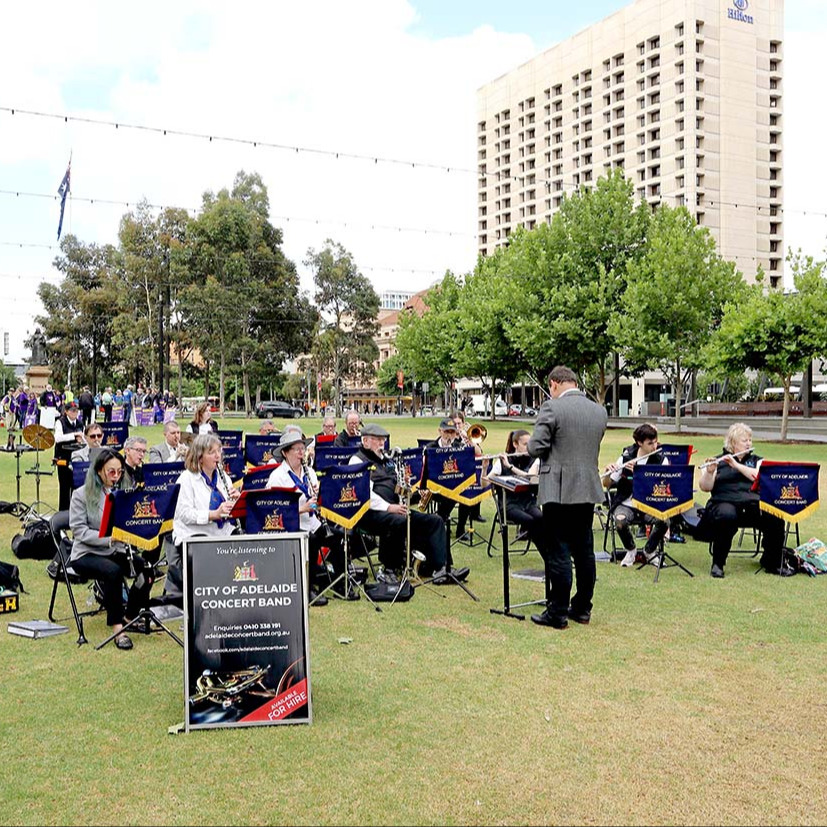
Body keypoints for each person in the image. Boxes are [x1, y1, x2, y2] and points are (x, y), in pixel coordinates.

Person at [527, 366, 607, 630]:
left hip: (559, 489)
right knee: (584, 551)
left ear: (554, 384)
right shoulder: (598, 410)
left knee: (558, 550)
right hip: (587, 487)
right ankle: (583, 607)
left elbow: (535, 446)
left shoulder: (552, 408)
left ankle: (558, 612)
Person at [349, 423, 464, 584]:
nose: (382, 444)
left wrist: (410, 491)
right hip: (371, 513)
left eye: (383, 440)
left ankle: (441, 568)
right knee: (398, 520)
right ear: (365, 441)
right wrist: (389, 507)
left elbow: (397, 488)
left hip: (395, 508)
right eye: (377, 440)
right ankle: (390, 567)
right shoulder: (357, 460)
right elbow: (363, 494)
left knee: (435, 521)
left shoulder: (387, 461)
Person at [69, 449, 154, 651]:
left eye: (119, 472)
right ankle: (118, 629)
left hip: (114, 550)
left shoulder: (123, 492)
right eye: (111, 472)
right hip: (85, 553)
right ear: (99, 471)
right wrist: (109, 539)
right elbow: (79, 531)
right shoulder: (81, 495)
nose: (116, 477)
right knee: (112, 572)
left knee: (147, 570)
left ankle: (129, 617)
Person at [697, 422, 792, 578]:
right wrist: (709, 472)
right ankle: (718, 563)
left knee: (775, 516)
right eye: (744, 440)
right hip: (724, 503)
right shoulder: (717, 461)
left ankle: (772, 561)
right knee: (726, 515)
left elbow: (760, 478)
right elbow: (705, 487)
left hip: (752, 505)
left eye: (750, 440)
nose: (749, 443)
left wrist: (737, 466)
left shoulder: (757, 461)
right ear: (733, 443)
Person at [266, 431, 347, 606]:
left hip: (312, 523)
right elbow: (273, 510)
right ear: (285, 453)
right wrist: (301, 508)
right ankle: (308, 587)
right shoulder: (277, 476)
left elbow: (316, 502)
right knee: (313, 541)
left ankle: (339, 582)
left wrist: (317, 497)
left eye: (303, 448)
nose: (301, 453)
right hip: (290, 526)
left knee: (339, 537)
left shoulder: (309, 471)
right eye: (296, 449)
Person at [602, 423, 671, 568]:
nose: (655, 446)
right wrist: (607, 473)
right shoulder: (626, 456)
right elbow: (607, 484)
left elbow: (663, 488)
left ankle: (649, 551)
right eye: (650, 443)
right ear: (639, 443)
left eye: (655, 441)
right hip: (627, 504)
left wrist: (640, 475)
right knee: (620, 521)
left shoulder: (661, 460)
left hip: (649, 503)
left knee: (665, 520)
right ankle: (631, 550)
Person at [172, 433, 240, 549]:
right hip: (192, 535)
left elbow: (227, 510)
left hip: (221, 533)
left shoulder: (224, 477)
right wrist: (213, 514)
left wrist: (237, 502)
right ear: (199, 457)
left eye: (219, 451)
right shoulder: (186, 479)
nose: (218, 456)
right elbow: (184, 514)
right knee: (208, 552)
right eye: (212, 452)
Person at [486, 429, 546, 557]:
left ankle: (549, 556)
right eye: (525, 445)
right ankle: (548, 557)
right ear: (515, 444)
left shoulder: (534, 460)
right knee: (530, 521)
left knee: (541, 518)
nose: (528, 448)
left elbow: (530, 477)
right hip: (509, 505)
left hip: (528, 502)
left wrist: (511, 467)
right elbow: (485, 483)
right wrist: (485, 467)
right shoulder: (502, 461)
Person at [53, 401, 86, 511]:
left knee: (76, 486)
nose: (75, 413)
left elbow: (84, 438)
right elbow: (58, 438)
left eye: (76, 410)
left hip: (77, 458)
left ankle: (75, 512)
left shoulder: (80, 423)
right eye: (72, 411)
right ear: (66, 412)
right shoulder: (60, 422)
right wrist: (74, 435)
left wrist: (82, 439)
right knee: (64, 486)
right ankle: (63, 512)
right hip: (63, 457)